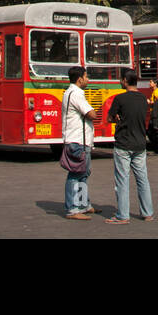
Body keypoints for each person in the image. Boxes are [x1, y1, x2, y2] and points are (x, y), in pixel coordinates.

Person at [105, 69, 154, 224]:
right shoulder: (143, 99)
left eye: (121, 79)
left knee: (122, 180)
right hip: (140, 143)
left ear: (125, 81)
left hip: (123, 144)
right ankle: (147, 213)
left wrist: (117, 118)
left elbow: (109, 117)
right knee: (142, 179)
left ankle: (122, 215)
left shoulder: (119, 99)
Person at [62, 65, 98, 219]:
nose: (88, 79)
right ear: (79, 79)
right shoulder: (76, 94)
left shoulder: (71, 92)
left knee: (83, 173)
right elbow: (91, 114)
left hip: (81, 140)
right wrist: (93, 111)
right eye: (86, 76)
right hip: (77, 140)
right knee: (76, 174)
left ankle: (83, 204)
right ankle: (73, 208)